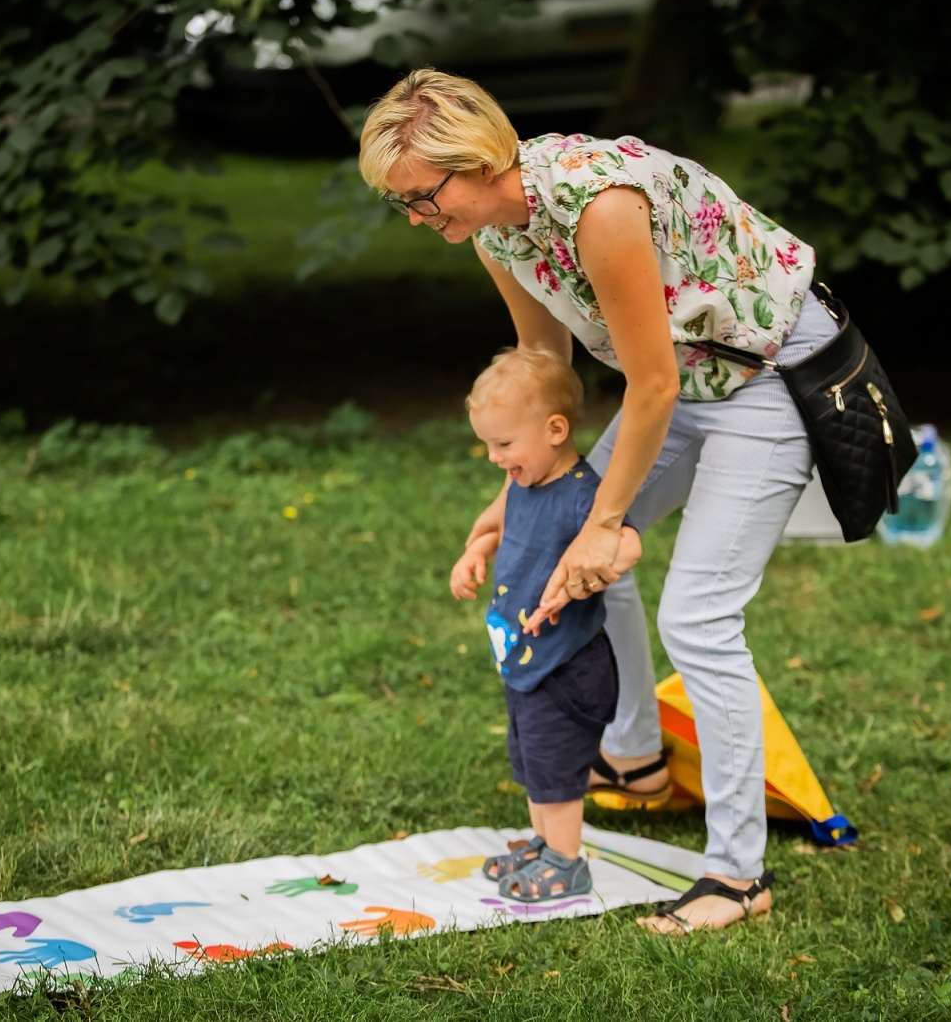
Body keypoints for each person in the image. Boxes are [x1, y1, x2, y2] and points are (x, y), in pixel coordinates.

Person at [360, 69, 840, 933]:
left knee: (697, 616)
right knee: (572, 542)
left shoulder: (600, 207)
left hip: (770, 376)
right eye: (403, 203)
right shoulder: (495, 232)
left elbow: (651, 385)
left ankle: (738, 875)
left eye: (425, 197)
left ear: (479, 160)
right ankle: (633, 758)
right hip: (688, 378)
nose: (419, 219)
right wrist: (520, 492)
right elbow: (544, 374)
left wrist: (605, 521)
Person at [451, 348, 642, 902]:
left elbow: (628, 542)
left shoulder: (585, 495)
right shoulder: (525, 485)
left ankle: (566, 861)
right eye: (489, 445)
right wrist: (476, 552)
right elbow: (502, 530)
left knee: (556, 768)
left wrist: (599, 567)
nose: (494, 458)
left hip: (567, 664)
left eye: (504, 445)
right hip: (526, 662)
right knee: (533, 759)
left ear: (555, 430)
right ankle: (544, 845)